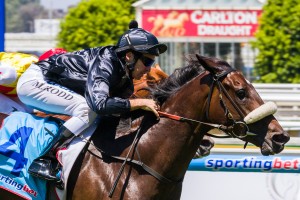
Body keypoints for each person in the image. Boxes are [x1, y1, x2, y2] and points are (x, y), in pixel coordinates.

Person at [16, 20, 167, 182]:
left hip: (50, 83)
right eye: (147, 61)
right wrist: (140, 103)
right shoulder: (105, 63)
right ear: (129, 56)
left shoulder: (123, 76)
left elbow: (114, 113)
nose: (148, 68)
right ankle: (45, 159)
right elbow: (100, 104)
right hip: (35, 81)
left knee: (95, 115)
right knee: (86, 109)